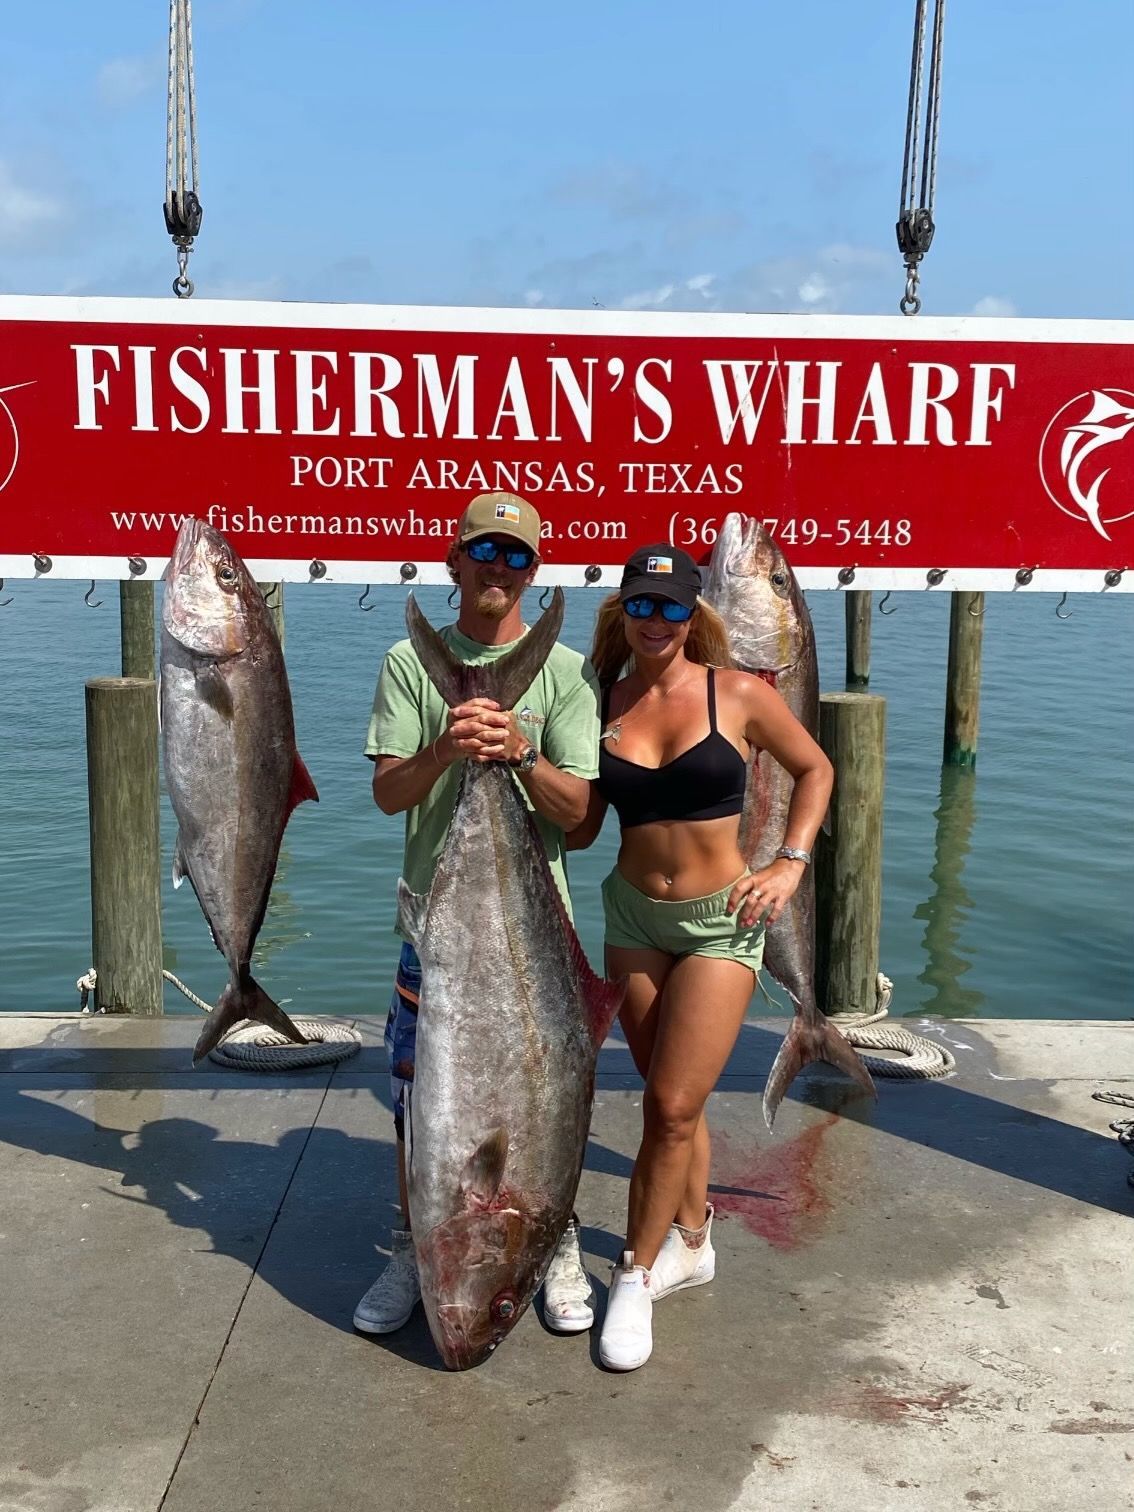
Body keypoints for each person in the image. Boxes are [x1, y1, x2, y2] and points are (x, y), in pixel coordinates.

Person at [566, 543, 834, 1371]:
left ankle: (635, 1276)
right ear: (622, 612)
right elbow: (581, 825)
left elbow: (815, 767)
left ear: (694, 616)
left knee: (673, 1108)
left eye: (671, 607)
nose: (655, 620)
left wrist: (789, 862)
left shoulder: (741, 693)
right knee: (666, 1100)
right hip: (631, 917)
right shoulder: (594, 701)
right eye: (641, 605)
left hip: (723, 922)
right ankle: (693, 1237)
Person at [355, 491, 602, 1341]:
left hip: (543, 948)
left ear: (533, 571)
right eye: (484, 553)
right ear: (454, 562)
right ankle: (412, 1241)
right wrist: (445, 750)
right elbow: (388, 795)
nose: (498, 569)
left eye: (516, 556)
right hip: (439, 941)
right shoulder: (405, 662)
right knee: (416, 1103)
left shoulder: (567, 675)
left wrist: (518, 753)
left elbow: (581, 814)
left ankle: (554, 1237)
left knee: (549, 1101)